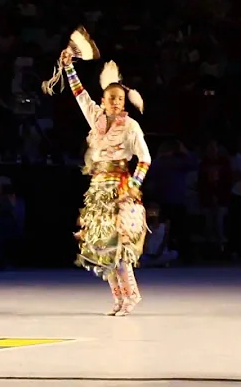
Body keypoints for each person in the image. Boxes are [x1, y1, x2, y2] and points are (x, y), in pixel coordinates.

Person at [59, 47, 150, 316]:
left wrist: (133, 186)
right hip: (97, 191)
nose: (116, 103)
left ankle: (132, 295)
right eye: (111, 98)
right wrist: (69, 68)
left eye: (120, 99)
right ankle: (118, 298)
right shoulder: (96, 119)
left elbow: (144, 159)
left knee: (119, 247)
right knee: (101, 247)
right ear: (104, 99)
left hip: (120, 190)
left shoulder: (131, 127)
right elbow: (79, 95)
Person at [140, 203, 178, 267]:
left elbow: (165, 238)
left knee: (174, 254)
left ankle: (159, 262)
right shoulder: (147, 223)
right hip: (149, 252)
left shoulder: (165, 223)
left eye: (155, 209)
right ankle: (156, 263)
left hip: (161, 251)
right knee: (143, 258)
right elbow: (145, 239)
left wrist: (160, 250)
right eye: (151, 209)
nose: (153, 211)